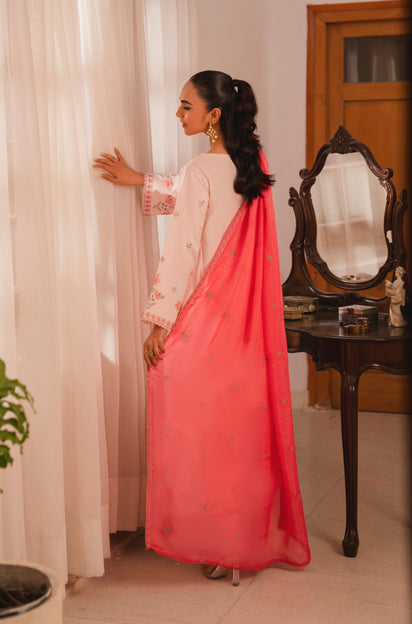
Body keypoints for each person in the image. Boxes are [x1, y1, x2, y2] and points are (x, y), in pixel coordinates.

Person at [93, 70, 310, 581]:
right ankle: (243, 538)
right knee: (239, 431)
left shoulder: (199, 170)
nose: (178, 114)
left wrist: (158, 322)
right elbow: (198, 197)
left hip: (208, 316)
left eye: (186, 106)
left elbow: (183, 248)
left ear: (213, 114)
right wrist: (141, 179)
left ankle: (211, 540)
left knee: (196, 421)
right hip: (247, 323)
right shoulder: (253, 163)